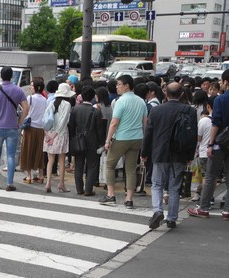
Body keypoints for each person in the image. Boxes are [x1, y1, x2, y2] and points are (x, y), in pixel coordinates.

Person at [142, 83, 197, 230]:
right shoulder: (189, 111)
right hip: (179, 153)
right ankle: (172, 218)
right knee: (174, 187)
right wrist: (190, 155)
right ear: (181, 94)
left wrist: (145, 153)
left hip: (160, 152)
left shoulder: (156, 110)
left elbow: (149, 134)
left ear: (166, 93)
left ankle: (158, 210)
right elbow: (192, 136)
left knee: (157, 184)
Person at [100, 74, 147, 209]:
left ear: (126, 86)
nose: (117, 87)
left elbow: (114, 123)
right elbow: (145, 122)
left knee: (109, 164)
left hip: (122, 137)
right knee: (131, 168)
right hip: (137, 137)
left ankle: (110, 195)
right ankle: (129, 199)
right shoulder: (141, 101)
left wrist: (108, 140)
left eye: (119, 84)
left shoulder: (120, 101)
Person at [187, 69, 229, 221]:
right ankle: (227, 211)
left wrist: (210, 144)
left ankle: (203, 208)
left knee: (211, 175)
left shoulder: (220, 99)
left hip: (219, 143)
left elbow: (215, 123)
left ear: (225, 82)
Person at [0, 66, 29, 191]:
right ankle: (9, 183)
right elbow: (26, 108)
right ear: (12, 76)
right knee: (11, 156)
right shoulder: (18, 90)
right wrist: (19, 122)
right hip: (12, 127)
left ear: (1, 76)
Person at [69, 85, 102, 196]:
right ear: (93, 97)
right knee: (92, 165)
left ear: (82, 96)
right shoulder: (96, 111)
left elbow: (71, 127)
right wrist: (101, 143)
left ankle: (79, 189)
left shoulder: (74, 109)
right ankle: (88, 189)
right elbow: (99, 130)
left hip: (78, 141)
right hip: (92, 141)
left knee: (79, 165)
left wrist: (73, 138)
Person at [43, 82, 74, 193]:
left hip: (50, 133)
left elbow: (45, 119)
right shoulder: (67, 105)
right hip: (60, 134)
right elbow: (64, 121)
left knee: (50, 160)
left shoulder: (51, 103)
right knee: (61, 160)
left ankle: (48, 183)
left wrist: (48, 134)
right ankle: (61, 184)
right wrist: (55, 134)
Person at [20, 79, 46, 184]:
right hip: (41, 129)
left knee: (28, 150)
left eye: (32, 86)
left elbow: (25, 111)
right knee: (39, 152)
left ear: (37, 87)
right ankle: (40, 175)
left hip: (30, 128)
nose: (30, 87)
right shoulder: (45, 100)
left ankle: (29, 176)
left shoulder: (30, 98)